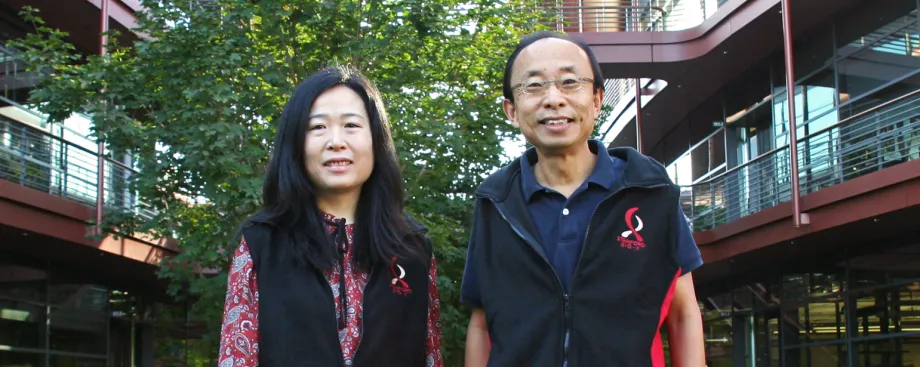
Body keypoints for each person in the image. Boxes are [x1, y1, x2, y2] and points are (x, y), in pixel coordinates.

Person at [461, 31, 706, 366]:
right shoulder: (496, 202)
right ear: (512, 110)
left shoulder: (649, 190)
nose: (553, 98)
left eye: (569, 82)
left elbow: (682, 312)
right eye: (533, 85)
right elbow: (482, 321)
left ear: (596, 99)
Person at [217, 66, 443, 367]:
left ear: (376, 140)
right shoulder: (261, 243)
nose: (336, 141)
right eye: (317, 127)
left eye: (351, 125)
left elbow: (431, 356)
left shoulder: (413, 249)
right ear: (296, 143)